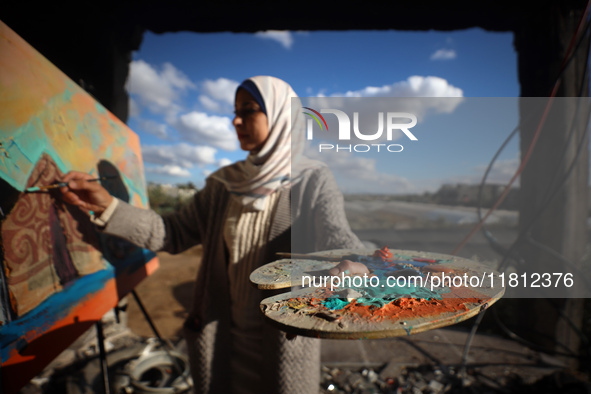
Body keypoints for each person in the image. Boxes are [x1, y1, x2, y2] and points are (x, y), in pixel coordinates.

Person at [60, 76, 365, 394]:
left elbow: (337, 237)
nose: (235, 121)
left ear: (281, 116)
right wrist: (108, 206)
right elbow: (172, 232)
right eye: (234, 111)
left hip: (283, 348)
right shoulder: (224, 184)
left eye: (248, 110)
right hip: (222, 344)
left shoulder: (312, 180)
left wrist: (351, 262)